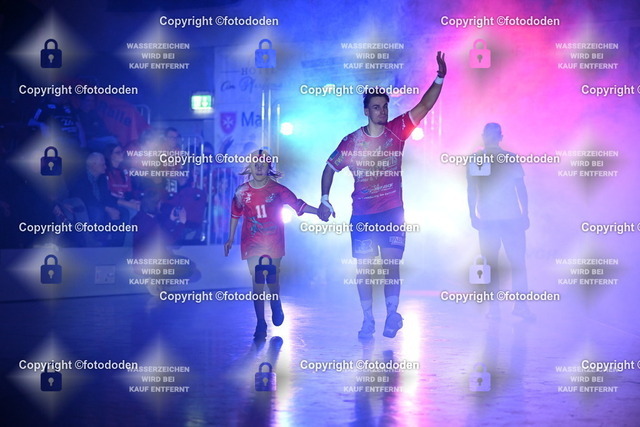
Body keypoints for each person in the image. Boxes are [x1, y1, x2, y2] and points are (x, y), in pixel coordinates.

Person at [318, 52, 447, 339]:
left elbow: (425, 106)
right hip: (363, 216)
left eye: (385, 107)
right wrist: (325, 199)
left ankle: (391, 316)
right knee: (364, 270)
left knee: (390, 265)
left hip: (392, 212)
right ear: (366, 111)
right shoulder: (351, 142)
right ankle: (368, 320)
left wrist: (439, 77)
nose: (382, 112)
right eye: (376, 108)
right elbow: (329, 168)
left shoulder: (397, 131)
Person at [224, 150, 319, 340]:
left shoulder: (278, 190)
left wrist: (319, 212)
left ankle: (275, 302)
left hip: (273, 243)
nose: (259, 168)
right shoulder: (241, 192)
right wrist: (230, 238)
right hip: (252, 244)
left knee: (272, 281)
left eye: (263, 164)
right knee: (258, 282)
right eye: (255, 164)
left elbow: (298, 205)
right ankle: (260, 323)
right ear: (250, 167)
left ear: (269, 167)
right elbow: (235, 214)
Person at [467, 123, 534, 321]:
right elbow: (520, 188)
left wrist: (472, 215)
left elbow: (472, 190)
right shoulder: (507, 158)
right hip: (507, 219)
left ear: (484, 136)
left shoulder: (479, 158)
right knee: (515, 264)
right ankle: (515, 307)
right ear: (500, 137)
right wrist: (525, 213)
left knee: (495, 264)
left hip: (494, 220)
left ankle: (497, 308)